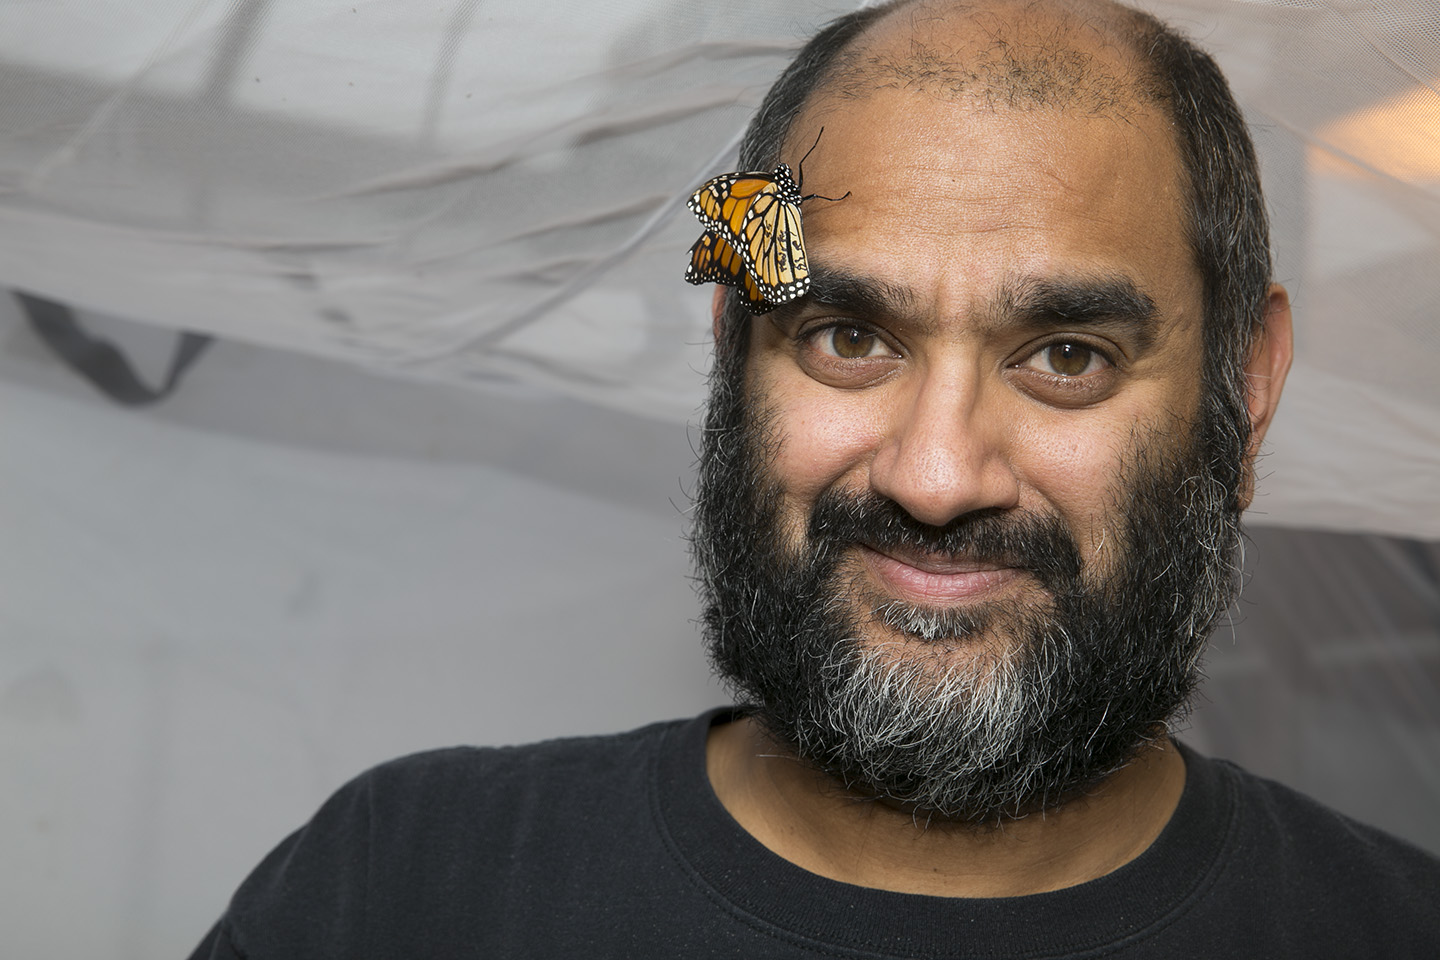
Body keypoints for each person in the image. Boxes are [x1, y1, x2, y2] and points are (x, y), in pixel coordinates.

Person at [188, 1, 1440, 956]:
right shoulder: (398, 887)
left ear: (1248, 387)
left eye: (1067, 356)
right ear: (734, 350)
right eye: (848, 338)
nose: (937, 477)